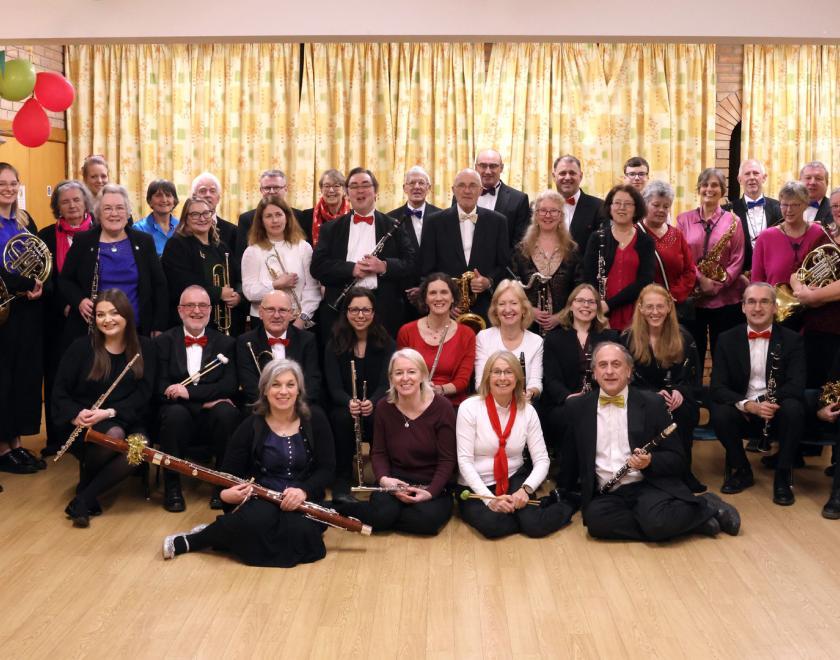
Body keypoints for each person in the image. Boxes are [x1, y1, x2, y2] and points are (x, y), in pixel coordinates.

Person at [162, 359, 336, 567]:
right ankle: (193, 541)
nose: (283, 391)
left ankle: (222, 532)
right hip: (263, 497)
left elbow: (327, 469)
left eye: (290, 384)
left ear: (299, 390)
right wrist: (227, 495)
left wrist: (303, 491)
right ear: (264, 390)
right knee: (256, 521)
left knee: (301, 532)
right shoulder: (250, 425)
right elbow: (226, 476)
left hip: (303, 499)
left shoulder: (315, 418)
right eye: (276, 384)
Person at [564, 341, 740, 541]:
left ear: (629, 371)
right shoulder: (579, 407)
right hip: (608, 492)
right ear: (594, 372)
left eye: (616, 364)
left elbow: (678, 458)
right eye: (603, 365)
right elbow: (570, 456)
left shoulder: (652, 404)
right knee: (595, 523)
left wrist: (650, 461)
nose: (609, 371)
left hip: (647, 485)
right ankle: (691, 522)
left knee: (656, 522)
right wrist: (563, 494)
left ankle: (706, 505)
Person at [51, 289, 156, 527]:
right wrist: (76, 415)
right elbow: (59, 392)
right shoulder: (81, 348)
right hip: (86, 423)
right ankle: (87, 494)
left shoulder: (146, 348)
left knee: (140, 446)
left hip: (128, 416)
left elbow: (144, 394)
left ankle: (84, 497)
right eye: (100, 315)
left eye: (113, 313)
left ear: (127, 315)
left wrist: (110, 412)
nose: (106, 320)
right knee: (113, 435)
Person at [335, 349, 456, 534]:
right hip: (395, 481)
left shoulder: (443, 407)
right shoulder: (384, 406)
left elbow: (447, 459)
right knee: (384, 515)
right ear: (391, 378)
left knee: (426, 523)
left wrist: (430, 492)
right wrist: (384, 479)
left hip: (431, 484)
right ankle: (347, 508)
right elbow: (379, 452)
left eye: (411, 372)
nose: (405, 378)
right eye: (398, 373)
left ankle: (370, 515)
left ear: (423, 374)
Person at [456, 350, 573, 539]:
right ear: (487, 377)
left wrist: (525, 490)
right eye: (496, 372)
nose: (503, 378)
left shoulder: (528, 411)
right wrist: (491, 501)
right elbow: (464, 461)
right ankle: (532, 513)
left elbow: (542, 460)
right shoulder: (469, 408)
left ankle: (568, 504)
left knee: (535, 527)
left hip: (513, 478)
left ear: (518, 378)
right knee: (493, 526)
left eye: (509, 372)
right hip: (476, 484)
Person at [710, 283, 806, 505]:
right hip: (744, 411)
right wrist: (748, 405)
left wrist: (769, 402)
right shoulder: (727, 339)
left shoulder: (792, 340)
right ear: (742, 307)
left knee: (795, 408)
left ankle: (782, 475)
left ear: (774, 307)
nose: (757, 307)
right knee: (720, 413)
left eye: (764, 301)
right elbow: (718, 387)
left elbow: (796, 384)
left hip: (777, 410)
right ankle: (742, 470)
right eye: (751, 301)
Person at [154, 285, 239, 512]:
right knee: (174, 414)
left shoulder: (226, 343)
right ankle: (173, 488)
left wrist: (189, 393)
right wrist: (202, 401)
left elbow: (229, 386)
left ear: (210, 310)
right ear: (180, 310)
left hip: (210, 417)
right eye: (190, 305)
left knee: (226, 412)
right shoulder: (163, 342)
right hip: (177, 414)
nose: (196, 311)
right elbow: (160, 386)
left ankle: (222, 486)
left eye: (202, 305)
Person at [311, 167, 416, 337]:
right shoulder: (330, 229)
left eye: (365, 185)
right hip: (341, 309)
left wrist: (384, 266)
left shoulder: (394, 225)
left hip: (383, 310)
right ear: (347, 192)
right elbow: (317, 267)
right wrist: (351, 269)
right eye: (354, 186)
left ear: (376, 191)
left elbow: (410, 263)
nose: (360, 191)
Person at [59, 183, 168, 347]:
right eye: (107, 208)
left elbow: (159, 285)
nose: (114, 214)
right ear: (98, 214)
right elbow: (65, 280)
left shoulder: (144, 241)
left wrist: (158, 325)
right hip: (93, 332)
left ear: (128, 212)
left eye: (120, 208)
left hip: (136, 331)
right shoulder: (83, 241)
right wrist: (79, 301)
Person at [622, 284, 703, 492]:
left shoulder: (685, 337)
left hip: (674, 399)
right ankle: (650, 470)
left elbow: (693, 378)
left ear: (669, 307)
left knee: (685, 411)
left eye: (660, 306)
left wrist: (680, 392)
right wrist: (651, 396)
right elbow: (623, 380)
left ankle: (684, 470)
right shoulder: (626, 338)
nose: (655, 312)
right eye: (649, 306)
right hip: (640, 399)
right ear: (640, 308)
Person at [543, 283, 619, 491]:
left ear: (598, 307)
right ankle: (569, 480)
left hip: (601, 399)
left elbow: (617, 375)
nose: (586, 306)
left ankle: (601, 475)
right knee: (572, 416)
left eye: (591, 301)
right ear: (571, 305)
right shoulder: (554, 338)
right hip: (565, 402)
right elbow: (550, 379)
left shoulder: (610, 337)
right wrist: (569, 397)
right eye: (580, 301)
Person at [38, 180, 95, 457]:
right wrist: (66, 304)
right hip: (58, 318)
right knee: (58, 375)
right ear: (57, 206)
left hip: (95, 316)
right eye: (65, 201)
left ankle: (88, 435)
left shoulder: (100, 232)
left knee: (90, 375)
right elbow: (43, 277)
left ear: (86, 203)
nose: (72, 205)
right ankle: (57, 437)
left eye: (76, 200)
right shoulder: (46, 235)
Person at [324, 287, 396, 503]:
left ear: (373, 313)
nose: (360, 315)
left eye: (365, 310)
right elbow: (333, 385)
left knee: (380, 414)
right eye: (354, 310)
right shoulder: (334, 343)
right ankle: (343, 479)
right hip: (345, 405)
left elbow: (387, 382)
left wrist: (373, 402)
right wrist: (349, 402)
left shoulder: (387, 343)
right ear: (346, 312)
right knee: (342, 418)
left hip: (377, 403)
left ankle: (380, 477)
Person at [0, 162, 45, 474]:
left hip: (26, 310)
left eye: (13, 183)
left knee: (22, 378)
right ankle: (2, 448)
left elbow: (38, 255)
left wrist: (38, 284)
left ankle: (15, 443)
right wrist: (26, 283)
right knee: (3, 379)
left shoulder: (23, 221)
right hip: (3, 310)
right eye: (2, 183)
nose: (8, 188)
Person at [420, 168, 510, 323]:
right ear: (453, 190)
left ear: (481, 190)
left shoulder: (498, 222)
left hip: (486, 308)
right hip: (445, 309)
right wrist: (445, 301)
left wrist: (488, 281)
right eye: (461, 185)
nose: (467, 190)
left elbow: (504, 266)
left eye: (473, 185)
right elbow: (426, 269)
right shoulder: (433, 222)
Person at [676, 168, 745, 369]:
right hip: (693, 298)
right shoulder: (683, 219)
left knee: (723, 353)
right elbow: (682, 256)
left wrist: (719, 285)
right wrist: (701, 280)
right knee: (692, 352)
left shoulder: (734, 221)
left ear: (722, 190)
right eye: (705, 185)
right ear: (699, 188)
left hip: (725, 299)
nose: (709, 189)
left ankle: (720, 397)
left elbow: (738, 258)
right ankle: (692, 397)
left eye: (715, 185)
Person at [161, 195, 242, 332]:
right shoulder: (176, 244)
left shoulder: (221, 247)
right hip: (190, 323)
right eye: (195, 214)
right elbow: (181, 284)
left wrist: (238, 296)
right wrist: (218, 292)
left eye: (206, 213)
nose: (202, 218)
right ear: (185, 219)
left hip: (222, 326)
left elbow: (238, 277)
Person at [240, 194, 320, 329]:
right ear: (261, 221)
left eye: (278, 214)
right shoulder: (252, 251)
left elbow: (313, 289)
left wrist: (301, 320)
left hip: (298, 320)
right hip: (262, 322)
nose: (275, 220)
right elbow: (249, 292)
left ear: (287, 217)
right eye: (268, 216)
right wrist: (276, 284)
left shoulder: (303, 247)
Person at [396, 274, 476, 407]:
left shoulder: (467, 334)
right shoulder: (407, 331)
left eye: (444, 292)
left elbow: (462, 381)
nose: (439, 298)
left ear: (452, 298)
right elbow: (400, 373)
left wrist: (439, 390)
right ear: (425, 299)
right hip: (415, 402)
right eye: (432, 293)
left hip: (451, 405)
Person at [583, 184, 654, 331]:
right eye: (617, 203)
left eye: (628, 204)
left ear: (636, 209)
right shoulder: (597, 238)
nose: (622, 207)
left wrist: (609, 305)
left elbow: (645, 280)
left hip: (635, 314)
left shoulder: (646, 241)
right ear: (609, 207)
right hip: (601, 314)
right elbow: (589, 276)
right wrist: (599, 308)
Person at [511, 189, 582, 333]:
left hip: (564, 328)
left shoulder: (572, 249)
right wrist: (529, 310)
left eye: (554, 211)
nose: (548, 215)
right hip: (527, 327)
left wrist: (560, 317)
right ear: (535, 215)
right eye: (542, 210)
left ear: (561, 216)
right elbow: (512, 287)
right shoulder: (521, 249)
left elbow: (579, 289)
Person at [236, 289, 321, 407]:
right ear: (260, 312)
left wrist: (292, 405)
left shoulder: (307, 340)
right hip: (261, 406)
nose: (276, 315)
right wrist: (274, 406)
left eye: (282, 310)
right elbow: (249, 384)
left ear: (291, 314)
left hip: (298, 405)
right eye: (270, 309)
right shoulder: (245, 341)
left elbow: (312, 381)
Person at [790, 186, 840, 386]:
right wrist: (800, 290)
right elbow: (797, 271)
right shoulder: (824, 237)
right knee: (812, 388)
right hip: (815, 327)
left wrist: (814, 297)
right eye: (835, 205)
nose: (838, 210)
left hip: (838, 329)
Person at [387, 166, 442, 321]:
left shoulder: (443, 216)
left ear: (429, 188)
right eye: (412, 183)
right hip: (401, 297)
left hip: (435, 294)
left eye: (421, 183)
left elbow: (444, 257)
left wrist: (425, 288)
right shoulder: (390, 219)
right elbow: (392, 259)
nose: (416, 187)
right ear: (404, 188)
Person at [474, 279, 543, 402]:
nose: (507, 309)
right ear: (495, 310)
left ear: (524, 309)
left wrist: (529, 393)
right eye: (502, 304)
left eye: (513, 303)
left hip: (522, 403)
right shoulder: (483, 337)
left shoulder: (536, 341)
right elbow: (480, 382)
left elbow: (536, 382)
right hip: (490, 403)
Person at [752, 181, 827, 293]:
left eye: (795, 205)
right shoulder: (765, 237)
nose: (788, 210)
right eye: (784, 205)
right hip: (776, 308)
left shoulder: (819, 233)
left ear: (806, 205)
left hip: (815, 306)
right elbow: (756, 282)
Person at [639, 181, 696, 309]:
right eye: (656, 205)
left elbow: (690, 270)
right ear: (645, 204)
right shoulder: (635, 233)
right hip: (643, 306)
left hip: (674, 305)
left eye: (666, 206)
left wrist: (671, 295)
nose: (661, 210)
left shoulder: (677, 235)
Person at [726, 159, 782, 272]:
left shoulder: (780, 207)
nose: (752, 177)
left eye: (756, 173)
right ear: (739, 179)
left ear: (764, 178)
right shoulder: (727, 211)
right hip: (740, 278)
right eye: (747, 174)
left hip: (772, 275)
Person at [236, 169, 302, 262]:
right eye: (267, 188)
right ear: (261, 190)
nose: (271, 191)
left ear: (286, 189)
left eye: (276, 187)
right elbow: (241, 259)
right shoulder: (246, 219)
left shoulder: (300, 216)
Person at [472, 149, 531, 247]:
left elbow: (519, 243)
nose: (488, 171)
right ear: (476, 167)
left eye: (493, 166)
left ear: (501, 168)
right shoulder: (461, 197)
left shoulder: (519, 200)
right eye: (483, 166)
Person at [552, 154, 604, 253]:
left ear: (580, 176)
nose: (567, 177)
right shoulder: (540, 207)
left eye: (572, 173)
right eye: (562, 173)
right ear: (554, 176)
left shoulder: (599, 207)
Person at [296, 169, 351, 247]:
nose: (331, 190)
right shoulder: (306, 216)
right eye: (327, 186)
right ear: (321, 189)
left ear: (344, 190)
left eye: (336, 186)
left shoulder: (352, 217)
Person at [191, 172, 238, 255]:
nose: (208, 195)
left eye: (212, 191)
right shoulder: (185, 230)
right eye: (202, 191)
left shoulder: (233, 231)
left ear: (218, 198)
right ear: (194, 197)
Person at [133, 179, 179, 256]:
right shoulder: (139, 229)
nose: (164, 200)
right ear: (150, 201)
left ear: (174, 201)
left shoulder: (182, 227)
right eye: (158, 195)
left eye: (168, 195)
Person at [800, 161, 832, 225]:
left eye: (818, 178)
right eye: (808, 178)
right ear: (799, 181)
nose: (812, 182)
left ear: (827, 183)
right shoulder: (785, 208)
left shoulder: (835, 210)